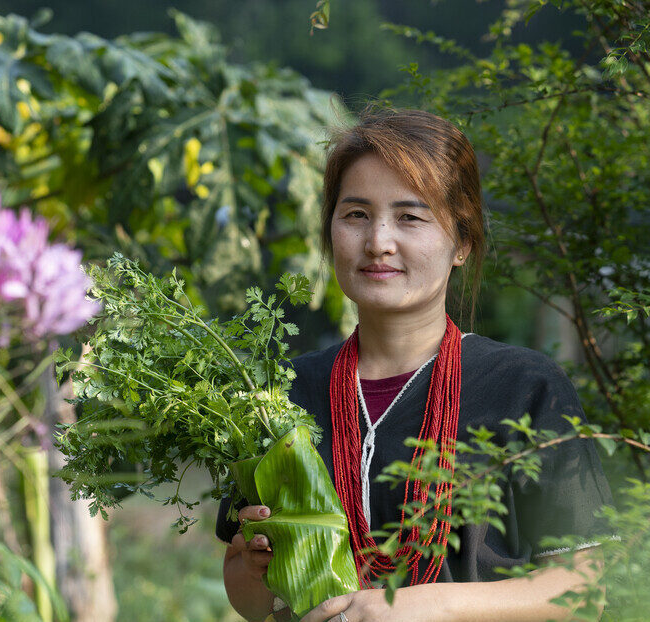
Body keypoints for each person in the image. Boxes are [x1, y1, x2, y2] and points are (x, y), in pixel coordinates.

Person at [216, 107, 612, 622]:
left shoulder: (527, 389)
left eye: (410, 217)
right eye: (356, 214)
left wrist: (428, 607)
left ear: (462, 242)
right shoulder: (280, 396)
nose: (378, 242)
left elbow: (583, 590)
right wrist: (254, 566)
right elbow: (248, 597)